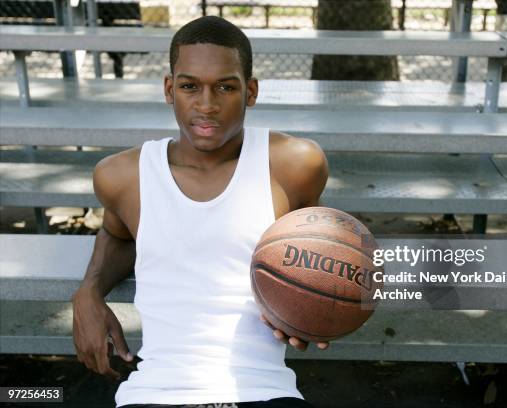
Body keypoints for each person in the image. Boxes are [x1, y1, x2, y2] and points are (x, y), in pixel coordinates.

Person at [71, 16, 329, 408]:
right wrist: (88, 292)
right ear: (169, 89)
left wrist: (313, 310)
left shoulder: (295, 165)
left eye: (225, 87)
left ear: (251, 92)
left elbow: (318, 257)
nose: (206, 105)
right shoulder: (122, 176)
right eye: (190, 86)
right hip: (154, 391)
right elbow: (118, 236)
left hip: (264, 389)